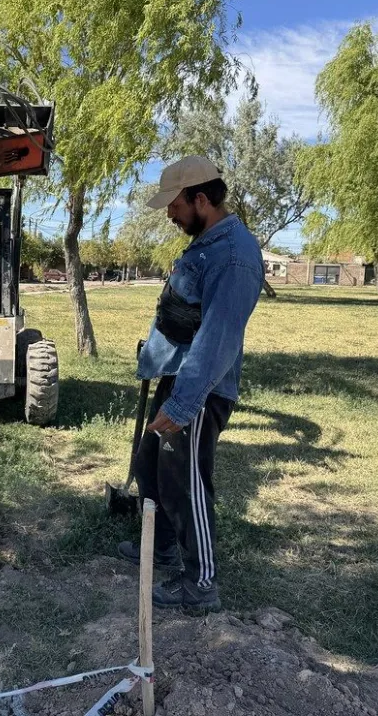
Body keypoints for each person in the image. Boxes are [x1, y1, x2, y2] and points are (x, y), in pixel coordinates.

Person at [117, 156, 263, 614]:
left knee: (186, 482)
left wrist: (182, 408)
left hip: (199, 392)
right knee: (150, 464)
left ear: (201, 198)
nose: (169, 214)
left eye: (175, 204)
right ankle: (159, 547)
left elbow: (218, 337)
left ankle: (201, 583)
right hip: (179, 378)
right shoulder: (207, 241)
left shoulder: (234, 255)